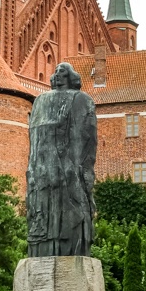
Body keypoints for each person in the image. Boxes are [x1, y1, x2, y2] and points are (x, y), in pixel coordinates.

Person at [26, 62, 97, 257]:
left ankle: (69, 247)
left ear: (71, 77)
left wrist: (83, 169)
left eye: (62, 72)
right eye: (55, 71)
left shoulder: (82, 100)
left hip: (68, 165)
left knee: (69, 206)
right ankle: (44, 247)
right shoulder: (40, 101)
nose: (57, 75)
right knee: (42, 208)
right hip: (42, 167)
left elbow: (88, 138)